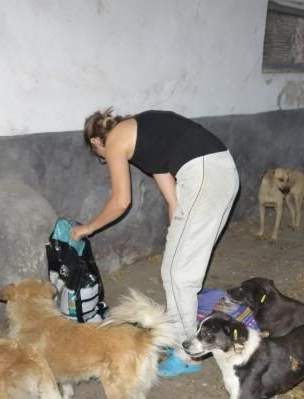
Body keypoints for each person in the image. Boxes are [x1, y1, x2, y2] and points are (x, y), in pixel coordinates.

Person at [72, 108, 239, 377]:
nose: (107, 158)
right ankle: (180, 341)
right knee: (173, 271)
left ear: (96, 142)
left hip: (205, 176)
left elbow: (120, 201)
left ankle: (188, 356)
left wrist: (86, 229)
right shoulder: (147, 134)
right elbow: (173, 200)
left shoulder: (115, 139)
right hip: (216, 174)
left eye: (101, 157)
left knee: (180, 277)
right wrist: (175, 241)